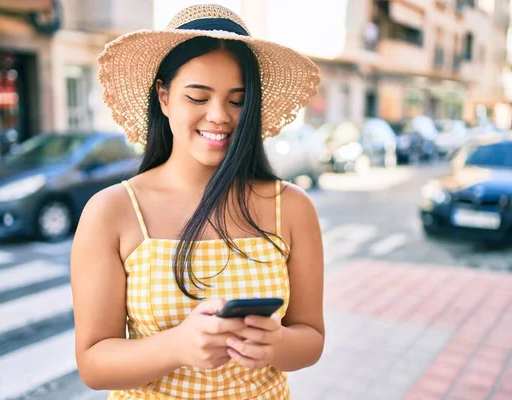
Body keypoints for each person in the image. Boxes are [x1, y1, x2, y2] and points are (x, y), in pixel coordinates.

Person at [70, 4, 324, 399]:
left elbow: (311, 337)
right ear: (165, 96)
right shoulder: (112, 211)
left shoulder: (291, 207)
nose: (219, 116)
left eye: (237, 101)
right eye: (198, 97)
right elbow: (94, 364)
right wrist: (178, 346)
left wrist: (275, 344)